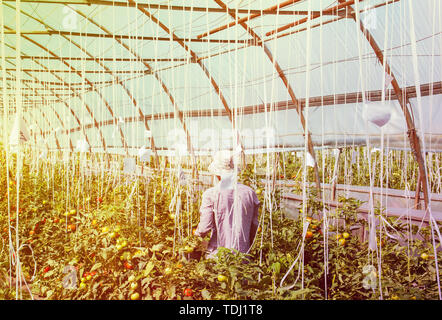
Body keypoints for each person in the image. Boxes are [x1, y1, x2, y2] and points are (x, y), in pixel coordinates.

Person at [194, 150, 260, 258]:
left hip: (218, 255)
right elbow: (254, 225)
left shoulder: (211, 194)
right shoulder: (249, 193)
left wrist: (193, 240)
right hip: (242, 255)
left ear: (216, 174)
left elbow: (205, 227)